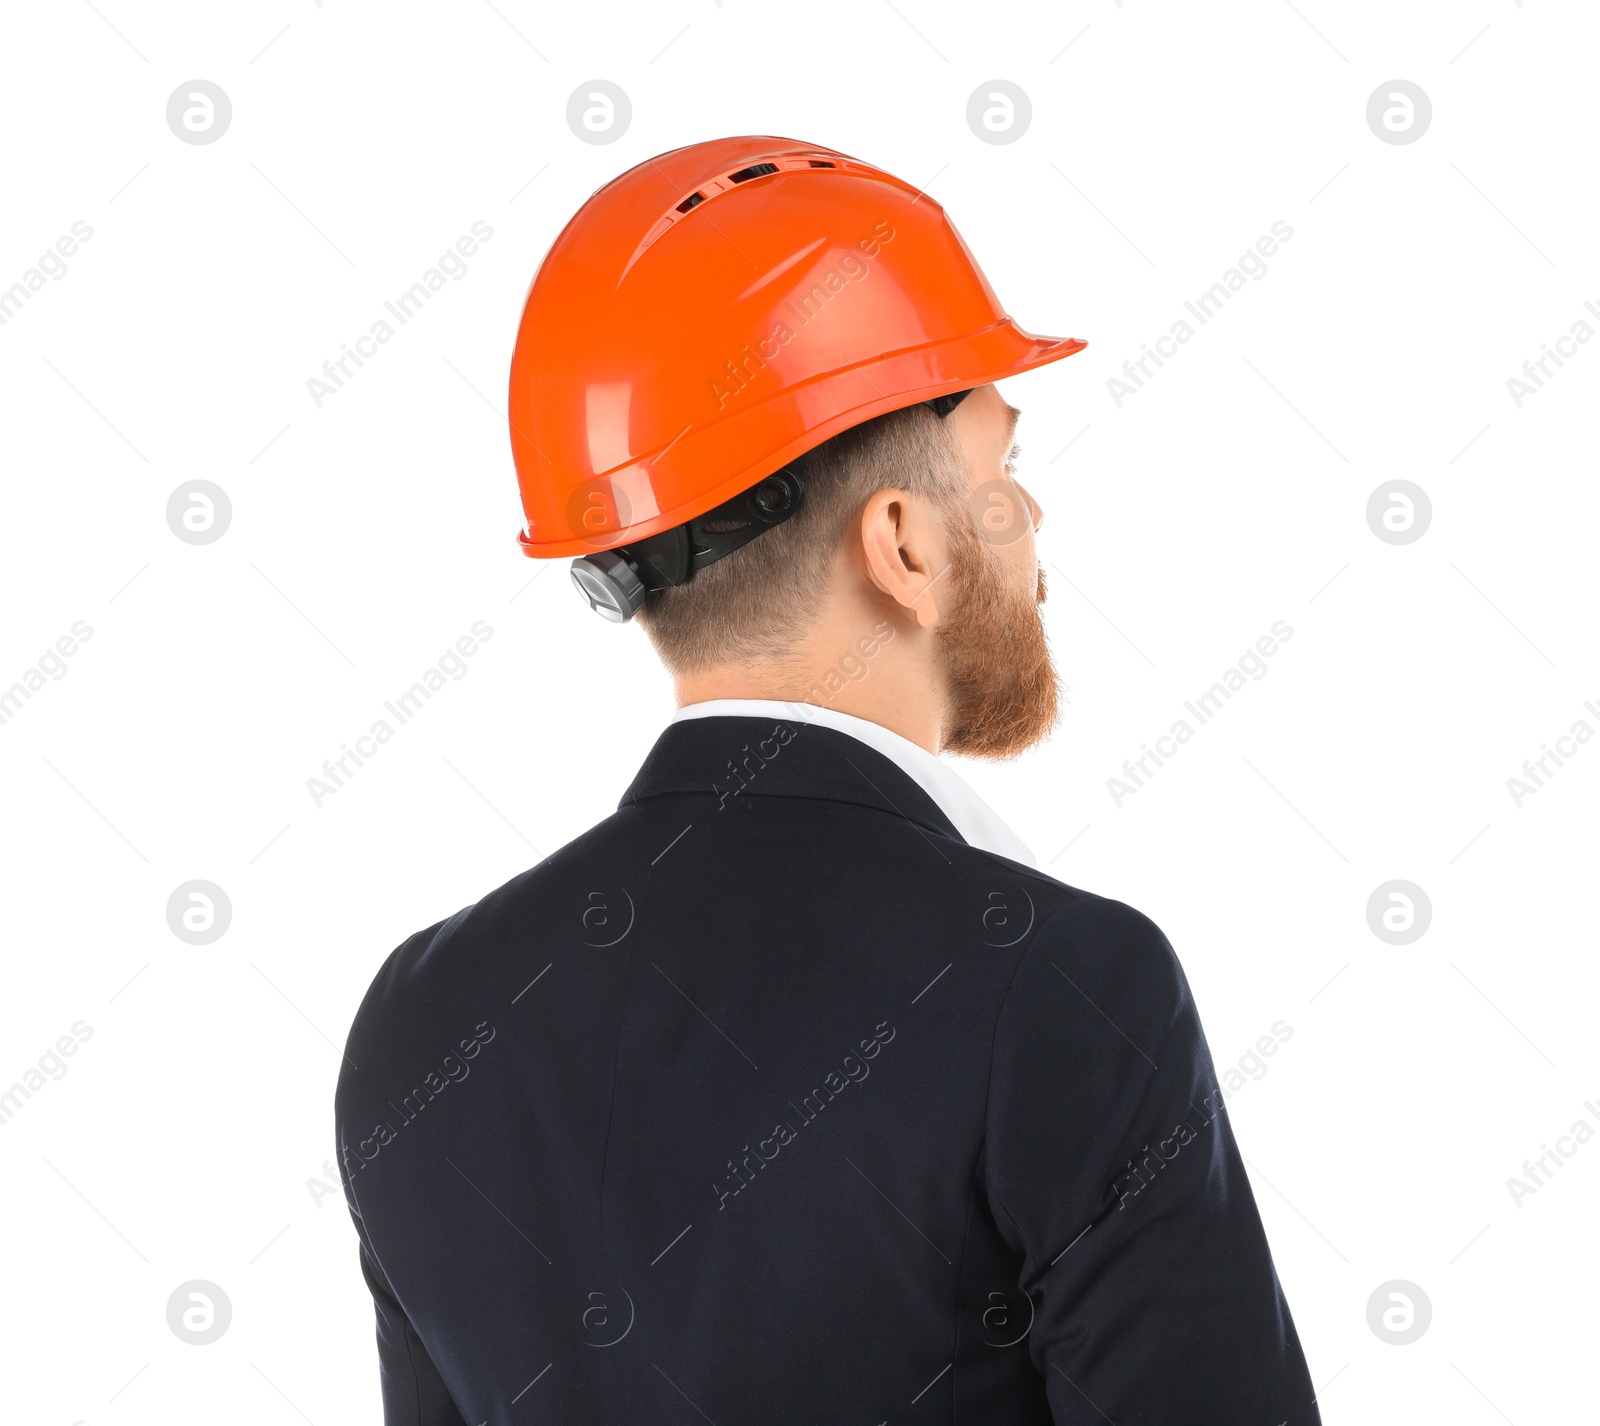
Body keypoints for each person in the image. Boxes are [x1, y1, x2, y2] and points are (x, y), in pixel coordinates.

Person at [336, 135, 1320, 1425]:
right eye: (1003, 473)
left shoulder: (422, 1021)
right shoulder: (1057, 988)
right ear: (902, 544)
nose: (1034, 525)